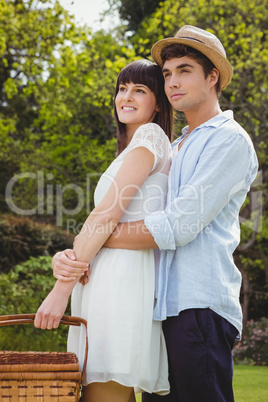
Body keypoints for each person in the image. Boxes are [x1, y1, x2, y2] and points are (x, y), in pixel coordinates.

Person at [54, 26, 259, 401]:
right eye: (167, 73)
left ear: (212, 77)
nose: (173, 82)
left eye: (184, 70)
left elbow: (179, 225)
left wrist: (94, 241)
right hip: (159, 308)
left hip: (198, 306)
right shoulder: (176, 145)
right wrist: (84, 246)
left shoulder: (228, 140)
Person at [34, 59, 174, 402]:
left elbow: (105, 216)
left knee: (103, 392)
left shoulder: (150, 136)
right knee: (104, 392)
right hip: (108, 280)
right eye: (122, 88)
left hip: (121, 284)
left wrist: (60, 291)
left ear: (158, 104)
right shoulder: (131, 148)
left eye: (140, 90)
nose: (127, 96)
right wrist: (70, 255)